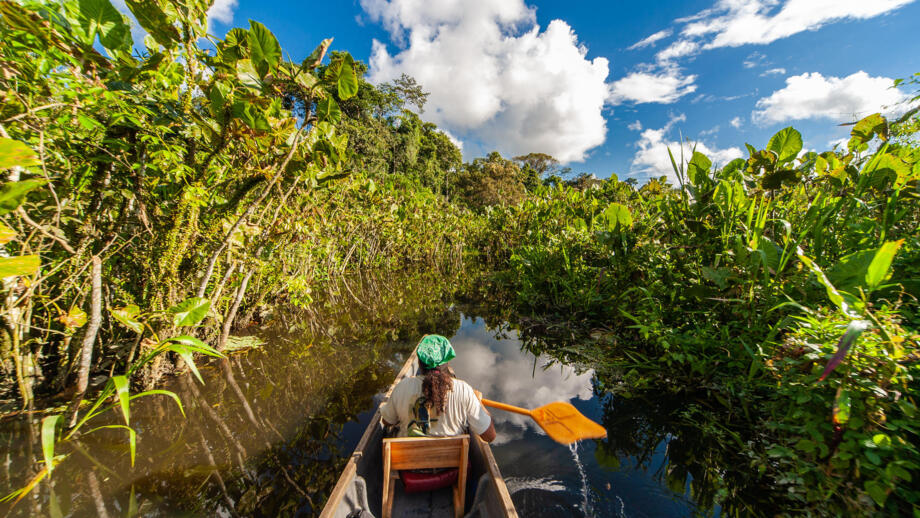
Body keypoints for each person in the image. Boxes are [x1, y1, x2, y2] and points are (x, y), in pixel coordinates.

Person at [381, 334, 496, 443]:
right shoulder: (464, 390)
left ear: (420, 363)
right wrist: (478, 401)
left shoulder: (402, 387)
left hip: (406, 461)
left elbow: (386, 421)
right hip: (452, 462)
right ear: (447, 362)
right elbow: (490, 436)